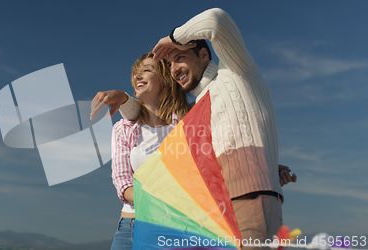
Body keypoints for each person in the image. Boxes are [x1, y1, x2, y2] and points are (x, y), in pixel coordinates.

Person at [92, 8, 297, 249]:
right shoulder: (197, 108)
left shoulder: (230, 77)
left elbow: (217, 20)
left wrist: (173, 38)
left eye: (179, 58)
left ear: (203, 55)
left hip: (211, 214)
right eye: (169, 63)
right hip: (179, 219)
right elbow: (218, 151)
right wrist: (127, 100)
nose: (174, 67)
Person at [110, 52, 190, 249]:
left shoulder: (186, 124)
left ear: (165, 79)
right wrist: (157, 197)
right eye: (136, 73)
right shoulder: (123, 129)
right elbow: (122, 182)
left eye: (146, 70)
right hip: (131, 227)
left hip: (175, 228)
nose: (138, 76)